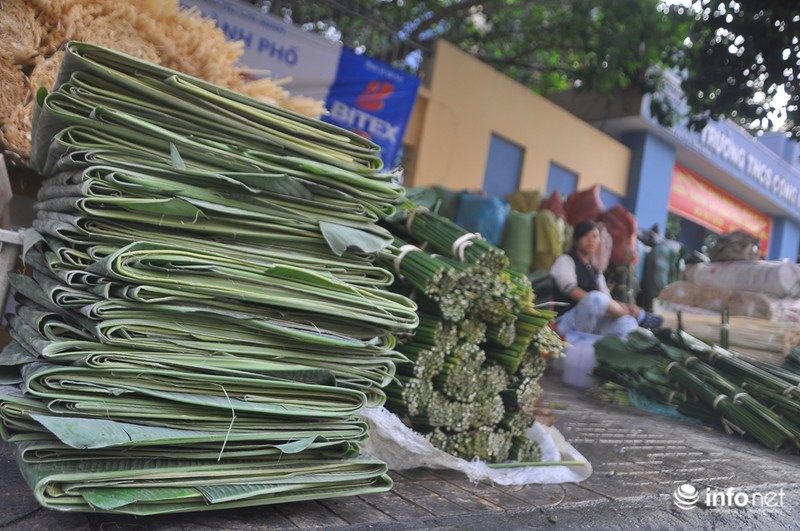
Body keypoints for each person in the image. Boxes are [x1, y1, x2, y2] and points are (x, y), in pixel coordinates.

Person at [550, 220, 663, 337]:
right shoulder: (565, 260)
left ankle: (634, 323)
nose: (591, 240)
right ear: (576, 240)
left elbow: (607, 300)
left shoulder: (595, 270)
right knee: (596, 298)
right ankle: (641, 317)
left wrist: (625, 307)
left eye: (595, 236)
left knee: (627, 323)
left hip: (592, 323)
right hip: (566, 322)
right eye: (585, 236)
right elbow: (570, 289)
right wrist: (617, 310)